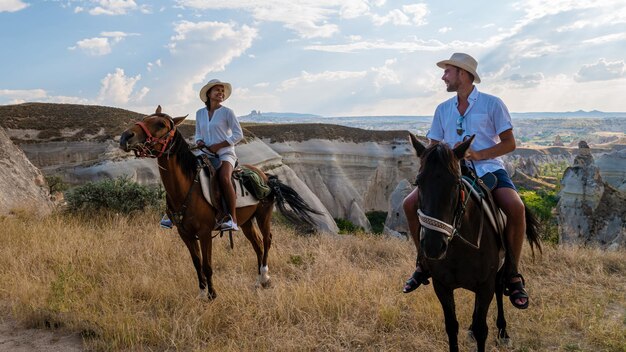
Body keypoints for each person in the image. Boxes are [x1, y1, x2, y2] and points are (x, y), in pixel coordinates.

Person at [402, 53, 530, 310]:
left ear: (462, 73)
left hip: (487, 169)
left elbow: (509, 143)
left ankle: (513, 273)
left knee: (516, 207)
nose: (443, 77)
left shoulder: (492, 104)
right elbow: (434, 147)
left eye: (447, 71)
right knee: (409, 204)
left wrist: (479, 154)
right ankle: (423, 263)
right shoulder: (443, 109)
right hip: (451, 173)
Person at [195, 79, 244, 231]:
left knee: (224, 177)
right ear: (208, 94)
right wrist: (199, 141)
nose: (221, 93)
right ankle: (173, 214)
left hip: (226, 153)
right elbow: (197, 134)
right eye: (217, 90)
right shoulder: (200, 113)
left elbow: (238, 134)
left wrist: (220, 145)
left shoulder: (227, 112)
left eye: (222, 91)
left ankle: (232, 219)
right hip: (205, 153)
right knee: (185, 172)